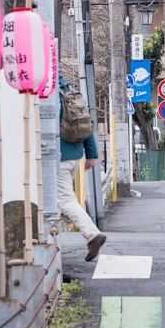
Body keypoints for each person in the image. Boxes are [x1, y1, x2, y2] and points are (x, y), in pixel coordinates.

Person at [57, 77, 107, 262]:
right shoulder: (69, 92)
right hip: (75, 156)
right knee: (53, 200)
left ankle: (92, 234)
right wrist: (91, 154)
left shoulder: (47, 94)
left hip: (56, 159)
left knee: (65, 201)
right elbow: (85, 123)